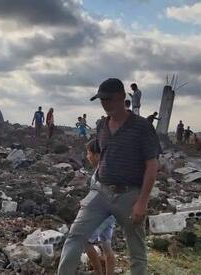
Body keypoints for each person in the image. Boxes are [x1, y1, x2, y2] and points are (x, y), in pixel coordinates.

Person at [58, 78, 160, 275]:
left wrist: (142, 202)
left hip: (129, 196)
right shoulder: (102, 125)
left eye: (108, 99)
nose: (105, 104)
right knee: (74, 237)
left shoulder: (142, 127)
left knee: (136, 251)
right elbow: (103, 156)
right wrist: (92, 189)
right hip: (101, 193)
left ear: (122, 97)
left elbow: (152, 164)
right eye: (101, 100)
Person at [84, 139, 116, 275]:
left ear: (97, 155)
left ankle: (98, 272)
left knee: (85, 241)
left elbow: (101, 194)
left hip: (103, 214)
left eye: (88, 153)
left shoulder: (101, 173)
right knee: (106, 245)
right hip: (110, 214)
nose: (87, 156)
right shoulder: (105, 169)